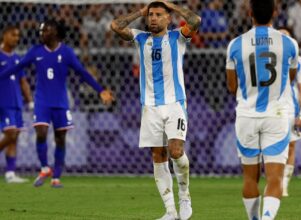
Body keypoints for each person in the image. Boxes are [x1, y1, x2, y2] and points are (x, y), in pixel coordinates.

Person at [111, 1, 201, 219]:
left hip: (175, 103)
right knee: (158, 156)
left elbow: (195, 20)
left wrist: (173, 6)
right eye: (151, 14)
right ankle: (170, 211)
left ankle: (185, 196)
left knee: (176, 151)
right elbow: (115, 25)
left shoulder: (178, 37)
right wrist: (141, 11)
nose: (153, 18)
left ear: (168, 18)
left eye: (159, 14)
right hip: (150, 106)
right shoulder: (140, 38)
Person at [0, 19, 114, 188]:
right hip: (42, 101)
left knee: (60, 138)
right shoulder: (35, 51)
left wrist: (100, 90)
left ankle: (56, 177)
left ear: (56, 33)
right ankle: (45, 167)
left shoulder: (66, 52)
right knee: (41, 132)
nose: (42, 32)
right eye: (41, 30)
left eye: (46, 30)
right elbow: (15, 69)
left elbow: (82, 72)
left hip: (61, 101)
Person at [226, 0, 299, 219]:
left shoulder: (235, 44)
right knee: (275, 179)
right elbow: (291, 77)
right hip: (276, 116)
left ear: (249, 13)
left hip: (247, 116)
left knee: (250, 178)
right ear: (275, 13)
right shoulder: (289, 43)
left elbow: (231, 87)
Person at [0, 25, 33, 183]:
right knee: (11, 133)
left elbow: (23, 81)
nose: (16, 38)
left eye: (18, 36)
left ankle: (10, 174)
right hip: (3, 103)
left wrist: (30, 101)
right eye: (13, 35)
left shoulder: (16, 59)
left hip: (17, 103)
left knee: (14, 137)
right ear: (4, 35)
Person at [278, 28, 301, 197]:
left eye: (286, 36)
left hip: (291, 107)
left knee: (290, 145)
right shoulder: (268, 58)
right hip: (270, 105)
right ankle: (274, 180)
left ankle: (284, 184)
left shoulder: (299, 61)